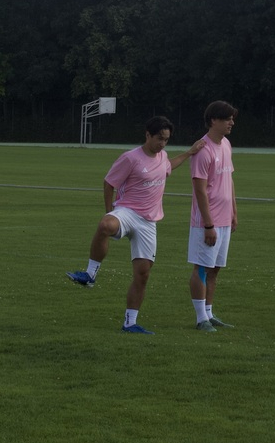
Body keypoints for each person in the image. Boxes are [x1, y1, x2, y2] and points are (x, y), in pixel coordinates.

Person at [66, 117, 203, 333]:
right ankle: (90, 274)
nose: (162, 144)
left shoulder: (162, 156)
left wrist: (189, 153)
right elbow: (109, 183)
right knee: (106, 224)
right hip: (127, 212)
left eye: (166, 140)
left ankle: (130, 323)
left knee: (142, 274)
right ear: (148, 135)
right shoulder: (130, 158)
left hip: (148, 222)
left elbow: (168, 166)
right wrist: (110, 211)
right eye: (159, 138)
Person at [189, 101, 239, 331]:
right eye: (227, 118)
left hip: (224, 219)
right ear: (213, 121)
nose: (231, 122)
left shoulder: (226, 144)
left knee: (215, 269)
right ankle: (201, 319)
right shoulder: (203, 150)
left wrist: (234, 212)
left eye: (232, 118)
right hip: (207, 222)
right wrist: (208, 224)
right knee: (201, 267)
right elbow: (200, 190)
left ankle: (209, 313)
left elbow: (229, 180)